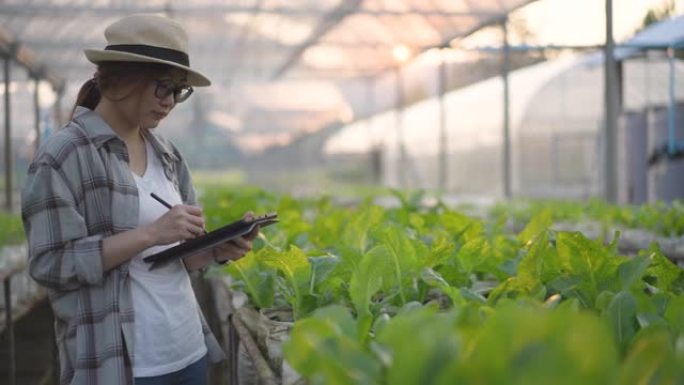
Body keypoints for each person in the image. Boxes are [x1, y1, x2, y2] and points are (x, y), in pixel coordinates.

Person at [21, 14, 254, 385]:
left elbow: (176, 257)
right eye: (163, 87)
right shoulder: (65, 155)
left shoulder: (168, 154)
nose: (170, 103)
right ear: (120, 79)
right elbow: (50, 264)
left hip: (187, 350)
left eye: (178, 91)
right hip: (120, 363)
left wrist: (215, 250)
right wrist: (150, 234)